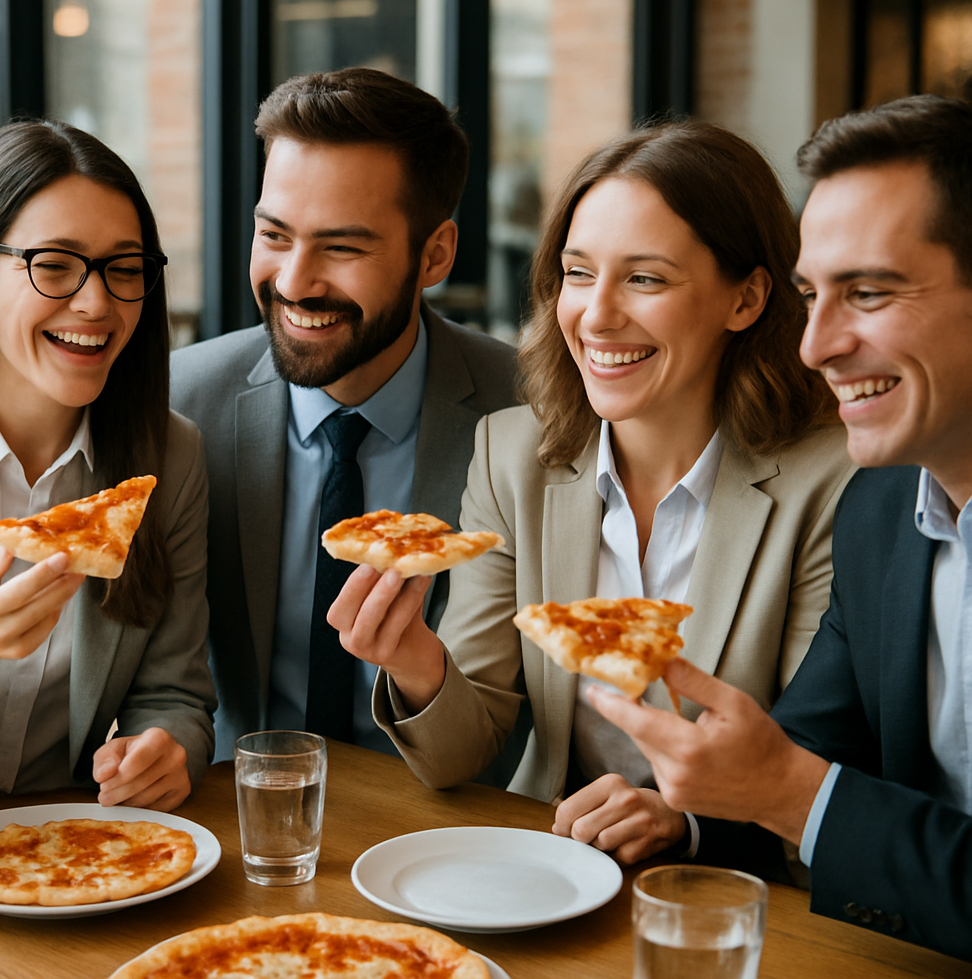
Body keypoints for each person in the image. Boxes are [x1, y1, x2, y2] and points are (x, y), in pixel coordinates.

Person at [329, 120, 854, 861]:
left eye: (645, 278)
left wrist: (685, 821)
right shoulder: (513, 455)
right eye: (578, 273)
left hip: (732, 888)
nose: (597, 315)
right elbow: (459, 755)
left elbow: (810, 761)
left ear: (746, 299)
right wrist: (414, 660)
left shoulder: (833, 482)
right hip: (553, 865)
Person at [587, 94, 972, 960]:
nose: (815, 344)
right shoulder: (882, 508)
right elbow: (800, 752)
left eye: (868, 292)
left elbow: (800, 783)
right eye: (812, 295)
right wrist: (684, 820)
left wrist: (789, 792)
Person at [170, 67, 518, 761]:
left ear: (435, 255)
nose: (295, 282)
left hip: (450, 827)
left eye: (342, 247)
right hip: (238, 809)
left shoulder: (532, 414)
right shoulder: (181, 404)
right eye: (274, 235)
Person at [0, 120, 216, 818]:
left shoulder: (170, 459)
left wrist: (166, 748)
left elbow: (176, 693)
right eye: (55, 264)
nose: (96, 303)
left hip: (69, 857)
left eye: (123, 269)